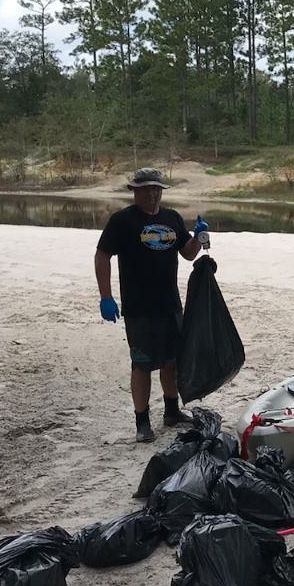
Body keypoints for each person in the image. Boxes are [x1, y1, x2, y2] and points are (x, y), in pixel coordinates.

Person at [95, 167, 208, 443]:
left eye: (156, 188)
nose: (152, 194)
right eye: (146, 189)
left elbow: (188, 254)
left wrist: (198, 237)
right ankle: (142, 422)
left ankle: (171, 411)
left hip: (170, 303)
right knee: (142, 364)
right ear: (135, 191)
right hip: (139, 307)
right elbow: (102, 256)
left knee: (171, 360)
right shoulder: (122, 221)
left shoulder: (171, 218)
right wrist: (106, 297)